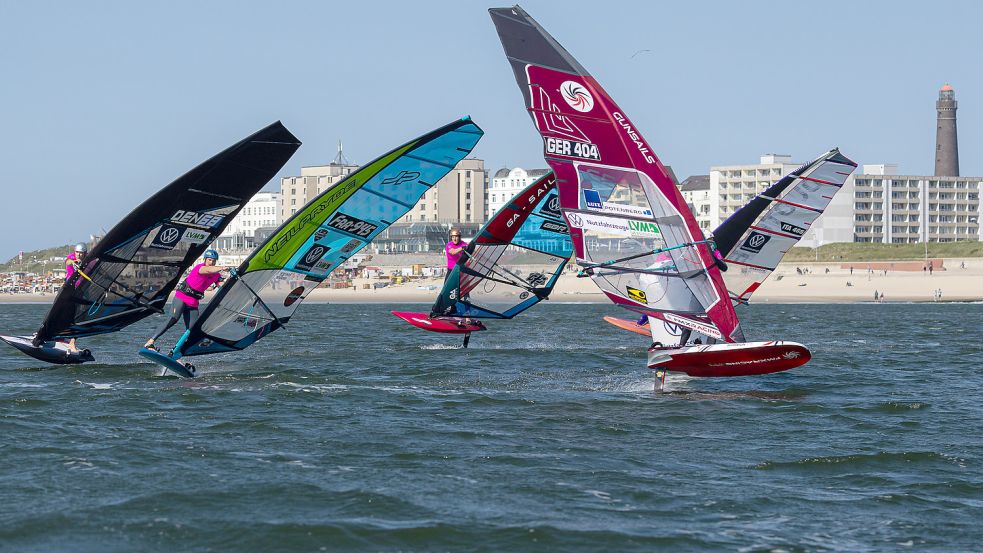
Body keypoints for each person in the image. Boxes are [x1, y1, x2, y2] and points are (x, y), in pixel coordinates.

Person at [142, 250, 230, 353]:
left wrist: (230, 279)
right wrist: (222, 268)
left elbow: (221, 284)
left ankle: (177, 354)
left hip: (193, 304)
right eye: (210, 260)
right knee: (173, 319)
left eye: (214, 261)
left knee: (193, 330)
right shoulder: (200, 268)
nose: (212, 262)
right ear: (205, 260)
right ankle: (150, 342)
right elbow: (208, 269)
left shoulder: (215, 275)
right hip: (181, 298)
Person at [64, 244, 88, 352]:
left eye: (81, 253)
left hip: (81, 290)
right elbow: (67, 262)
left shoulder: (88, 260)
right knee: (60, 311)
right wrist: (74, 262)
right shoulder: (72, 257)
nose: (78, 254)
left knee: (78, 316)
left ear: (85, 254)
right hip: (68, 288)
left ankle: (72, 342)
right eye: (77, 252)